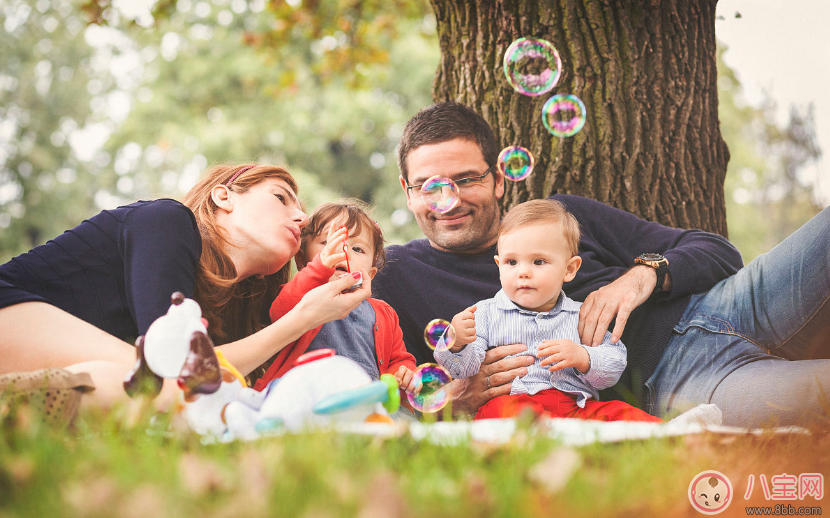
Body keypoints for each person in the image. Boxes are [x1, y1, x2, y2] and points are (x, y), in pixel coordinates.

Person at [373, 101, 830, 428]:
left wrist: (641, 276)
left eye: (465, 180)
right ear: (407, 192)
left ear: (496, 180)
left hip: (729, 304)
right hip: (681, 383)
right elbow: (400, 391)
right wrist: (458, 399)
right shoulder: (395, 275)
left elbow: (718, 252)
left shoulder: (564, 214)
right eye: (428, 186)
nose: (447, 200)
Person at [0, 164, 369, 414]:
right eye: (281, 197)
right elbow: (178, 370)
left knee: (196, 402)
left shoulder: (222, 308)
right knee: (165, 391)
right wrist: (304, 317)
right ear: (223, 197)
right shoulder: (166, 220)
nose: (302, 218)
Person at [434, 199, 662, 422]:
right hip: (516, 402)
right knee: (501, 409)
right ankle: (546, 434)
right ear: (498, 265)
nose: (523, 272)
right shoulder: (484, 313)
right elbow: (464, 369)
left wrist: (584, 357)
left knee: (618, 412)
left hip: (574, 407)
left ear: (570, 269)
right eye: (511, 262)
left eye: (539, 262)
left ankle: (671, 433)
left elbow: (614, 364)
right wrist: (457, 343)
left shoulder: (581, 315)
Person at [254, 200, 418, 394]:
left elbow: (398, 359)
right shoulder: (299, 294)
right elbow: (280, 312)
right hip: (303, 394)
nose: (343, 252)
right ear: (301, 259)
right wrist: (320, 268)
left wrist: (403, 373)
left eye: (357, 249)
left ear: (371, 274)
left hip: (362, 399)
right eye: (329, 243)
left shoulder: (384, 313)